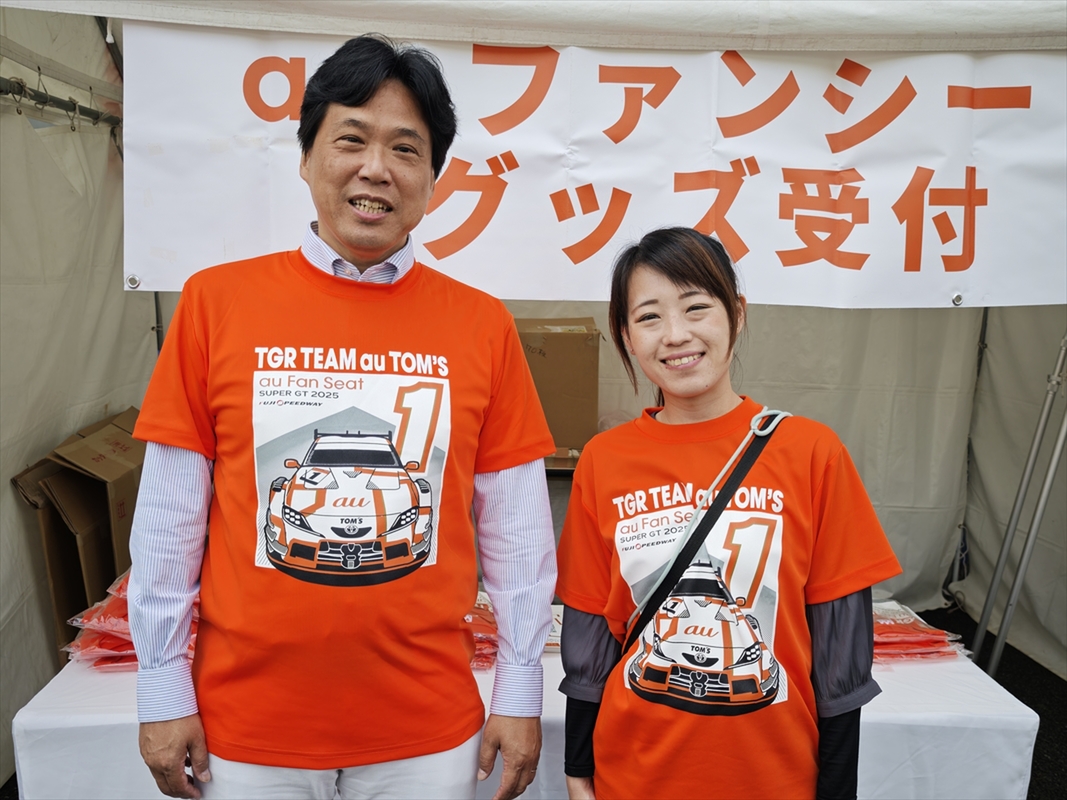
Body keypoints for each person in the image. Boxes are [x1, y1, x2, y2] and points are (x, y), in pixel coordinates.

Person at [128, 35, 557, 800]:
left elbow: (516, 529)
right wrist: (161, 686)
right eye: (350, 139)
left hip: (427, 731)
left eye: (405, 149)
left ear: (432, 176)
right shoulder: (214, 305)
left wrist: (519, 689)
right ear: (306, 157)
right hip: (245, 728)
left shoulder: (481, 325)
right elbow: (170, 516)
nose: (376, 168)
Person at [555, 227, 902, 799]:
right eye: (649, 317)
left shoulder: (811, 452)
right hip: (632, 775)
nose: (676, 334)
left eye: (696, 307)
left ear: (736, 314)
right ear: (627, 336)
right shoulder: (604, 459)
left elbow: (841, 657)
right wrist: (577, 765)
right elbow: (590, 633)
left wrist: (836, 790)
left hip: (775, 777)